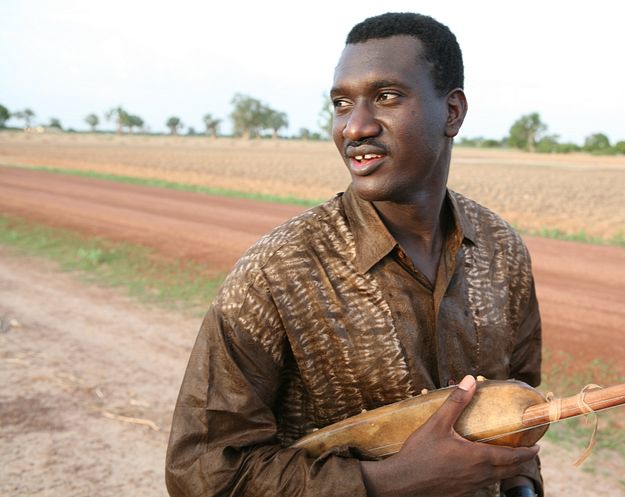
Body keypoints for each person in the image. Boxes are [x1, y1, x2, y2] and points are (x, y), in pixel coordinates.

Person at [166, 12, 543, 497]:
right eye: (342, 104)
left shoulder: (502, 251)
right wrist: (392, 481)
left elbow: (520, 412)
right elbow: (202, 473)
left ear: (452, 112)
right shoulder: (277, 272)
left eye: (386, 97)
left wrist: (522, 486)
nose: (355, 127)